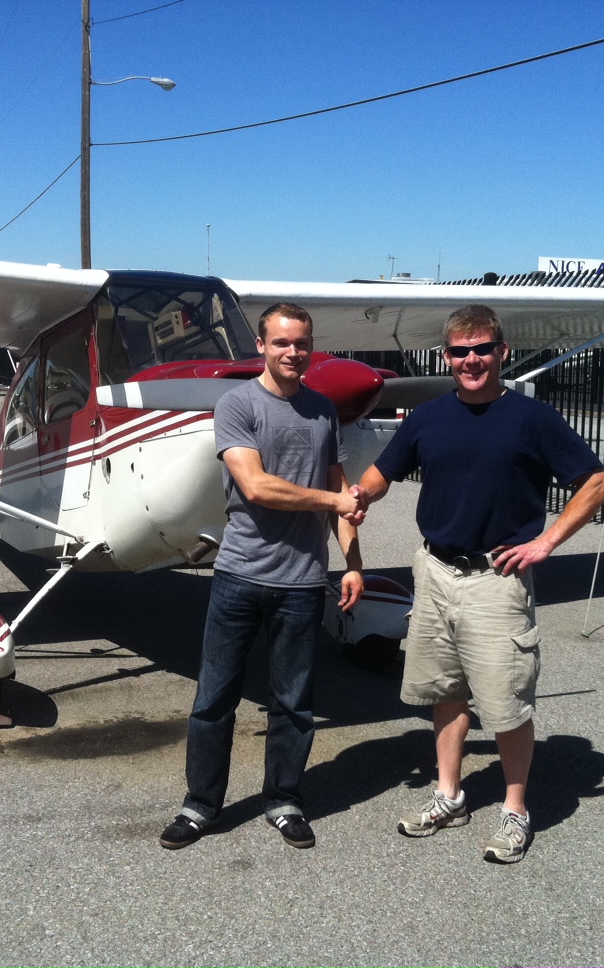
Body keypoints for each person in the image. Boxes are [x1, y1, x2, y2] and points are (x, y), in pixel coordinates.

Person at [353, 304, 604, 863]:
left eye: (481, 349)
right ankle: (449, 795)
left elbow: (595, 481)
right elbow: (380, 474)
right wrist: (354, 498)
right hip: (436, 572)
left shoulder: (532, 418)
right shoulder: (427, 417)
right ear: (446, 356)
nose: (470, 360)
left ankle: (515, 810)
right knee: (444, 692)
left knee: (506, 703)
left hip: (497, 579)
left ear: (501, 353)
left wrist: (546, 542)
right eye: (459, 351)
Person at [159, 302, 365, 851]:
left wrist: (354, 564)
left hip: (302, 584)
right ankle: (200, 805)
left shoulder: (323, 412)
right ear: (261, 345)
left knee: (294, 703)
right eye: (281, 343)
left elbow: (341, 501)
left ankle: (285, 799)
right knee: (213, 699)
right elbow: (257, 487)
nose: (293, 353)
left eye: (302, 344)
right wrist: (334, 498)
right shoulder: (237, 404)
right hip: (239, 576)